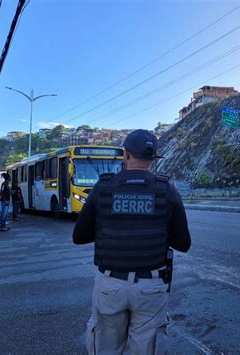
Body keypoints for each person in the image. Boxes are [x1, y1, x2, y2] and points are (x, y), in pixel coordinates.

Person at [73, 129, 191, 354]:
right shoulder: (168, 190)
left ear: (125, 154)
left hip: (110, 285)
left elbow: (79, 237)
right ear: (153, 158)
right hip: (151, 286)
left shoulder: (103, 187)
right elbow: (183, 243)